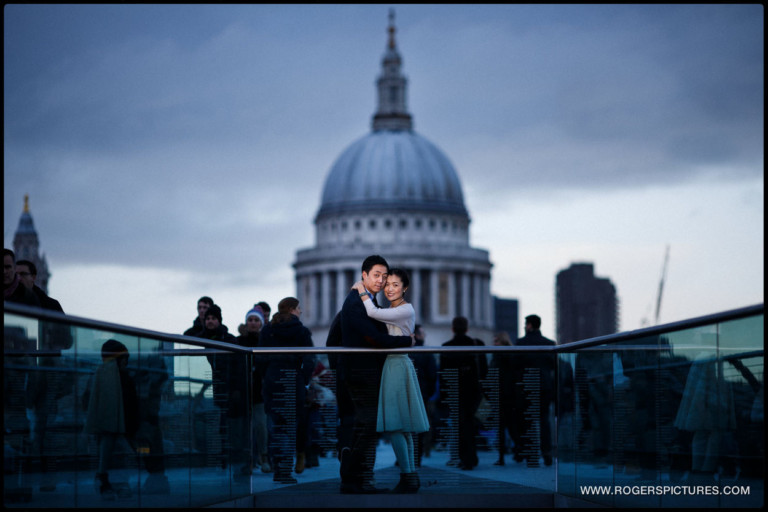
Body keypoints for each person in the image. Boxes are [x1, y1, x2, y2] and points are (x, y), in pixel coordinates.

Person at [336, 255, 413, 494]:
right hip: (360, 371)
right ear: (364, 275)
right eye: (376, 275)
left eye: (384, 276)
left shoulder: (366, 300)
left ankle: (356, 478)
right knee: (367, 423)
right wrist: (406, 341)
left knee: (366, 424)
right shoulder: (356, 302)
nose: (381, 281)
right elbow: (373, 338)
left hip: (365, 369)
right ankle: (350, 478)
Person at [352, 268, 428, 493]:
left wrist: (361, 290)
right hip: (396, 364)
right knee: (403, 428)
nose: (390, 289)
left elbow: (373, 313)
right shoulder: (396, 309)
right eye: (388, 285)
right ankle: (410, 476)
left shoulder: (404, 309)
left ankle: (408, 475)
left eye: (395, 284)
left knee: (396, 426)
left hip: (396, 364)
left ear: (405, 287)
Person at [257, 297, 315, 484]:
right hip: (292, 379)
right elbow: (309, 361)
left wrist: (267, 376)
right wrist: (304, 380)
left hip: (273, 379)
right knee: (290, 427)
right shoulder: (301, 331)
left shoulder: (267, 330)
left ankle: (278, 468)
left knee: (275, 426)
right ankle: (285, 471)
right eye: (298, 308)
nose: (300, 312)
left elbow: (260, 360)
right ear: (291, 309)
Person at [84, 339, 139, 499]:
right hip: (118, 428)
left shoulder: (103, 374)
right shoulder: (116, 376)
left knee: (115, 454)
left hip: (114, 428)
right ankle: (112, 484)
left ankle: (109, 483)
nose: (125, 363)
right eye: (123, 359)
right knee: (125, 455)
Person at [511, 314, 556, 466]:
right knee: (544, 421)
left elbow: (515, 367)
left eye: (526, 324)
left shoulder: (521, 343)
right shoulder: (549, 343)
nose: (525, 327)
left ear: (529, 325)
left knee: (528, 421)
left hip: (527, 386)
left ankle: (532, 455)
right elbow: (553, 366)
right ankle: (547, 453)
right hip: (545, 386)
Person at [440, 316, 483, 470]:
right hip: (473, 391)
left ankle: (466, 458)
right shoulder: (477, 344)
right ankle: (472, 457)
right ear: (467, 328)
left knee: (460, 425)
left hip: (456, 391)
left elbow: (443, 373)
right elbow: (484, 371)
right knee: (471, 424)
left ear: (452, 328)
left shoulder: (446, 346)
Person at [235, 305, 271, 474]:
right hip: (243, 391)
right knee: (245, 429)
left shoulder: (266, 341)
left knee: (261, 426)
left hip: (260, 391)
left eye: (256, 320)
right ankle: (248, 459)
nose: (253, 323)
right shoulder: (238, 341)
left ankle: (263, 456)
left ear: (261, 323)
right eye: (250, 319)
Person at [409, 324, 437, 467]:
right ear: (417, 335)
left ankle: (404, 457)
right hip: (422, 393)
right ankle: (417, 456)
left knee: (406, 426)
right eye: (422, 333)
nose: (424, 336)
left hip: (406, 393)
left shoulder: (405, 350)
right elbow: (432, 375)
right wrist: (429, 392)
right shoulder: (426, 352)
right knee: (420, 426)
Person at [490, 331, 515, 466]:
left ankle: (503, 455)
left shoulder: (501, 356)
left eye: (496, 341)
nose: (494, 344)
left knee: (506, 426)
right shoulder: (507, 355)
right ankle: (505, 454)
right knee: (508, 426)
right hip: (504, 395)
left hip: (503, 395)